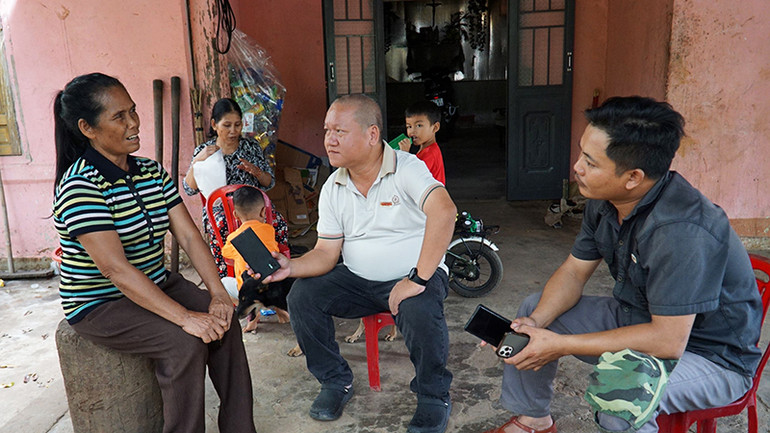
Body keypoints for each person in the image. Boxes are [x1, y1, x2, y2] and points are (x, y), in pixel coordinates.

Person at [480, 96, 762, 433]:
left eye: (590, 162)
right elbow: (573, 271)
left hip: (708, 356)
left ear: (633, 177)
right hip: (639, 317)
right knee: (534, 310)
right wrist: (536, 323)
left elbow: (667, 342)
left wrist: (559, 345)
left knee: (622, 400)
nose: (577, 167)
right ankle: (533, 421)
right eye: (581, 153)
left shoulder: (682, 231)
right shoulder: (606, 202)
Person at [52, 73, 257, 433]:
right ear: (88, 128)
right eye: (119, 117)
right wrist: (185, 317)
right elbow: (115, 270)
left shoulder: (150, 172)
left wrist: (218, 294)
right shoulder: (80, 186)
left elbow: (191, 238)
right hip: (100, 303)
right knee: (184, 344)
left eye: (133, 111)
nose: (134, 123)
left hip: (157, 282)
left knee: (226, 325)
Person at [260, 94, 457, 433]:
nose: (329, 140)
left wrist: (418, 279)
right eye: (326, 131)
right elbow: (325, 253)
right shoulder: (334, 186)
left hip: (415, 276)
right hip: (358, 278)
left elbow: (445, 211)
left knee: (418, 309)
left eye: (339, 131)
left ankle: (433, 395)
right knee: (301, 296)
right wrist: (288, 266)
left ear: (370, 134)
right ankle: (336, 381)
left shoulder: (407, 168)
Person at [183, 97, 289, 276]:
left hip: (252, 204)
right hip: (221, 211)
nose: (233, 131)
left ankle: (275, 268)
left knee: (277, 222)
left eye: (238, 125)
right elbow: (189, 189)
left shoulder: (251, 147)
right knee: (224, 226)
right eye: (227, 125)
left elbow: (269, 183)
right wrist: (196, 161)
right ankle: (229, 277)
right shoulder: (205, 151)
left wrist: (255, 171)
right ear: (215, 125)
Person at [221, 185, 279, 331]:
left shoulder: (234, 238)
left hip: (248, 291)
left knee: (222, 283)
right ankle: (272, 308)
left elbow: (225, 253)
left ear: (235, 215)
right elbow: (275, 250)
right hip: (272, 287)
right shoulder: (269, 230)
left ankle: (249, 311)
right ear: (263, 211)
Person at [398, 100, 446, 185]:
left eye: (419, 126)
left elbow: (411, 178)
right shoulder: (424, 150)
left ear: (435, 128)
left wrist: (404, 155)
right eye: (409, 126)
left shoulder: (430, 154)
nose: (412, 131)